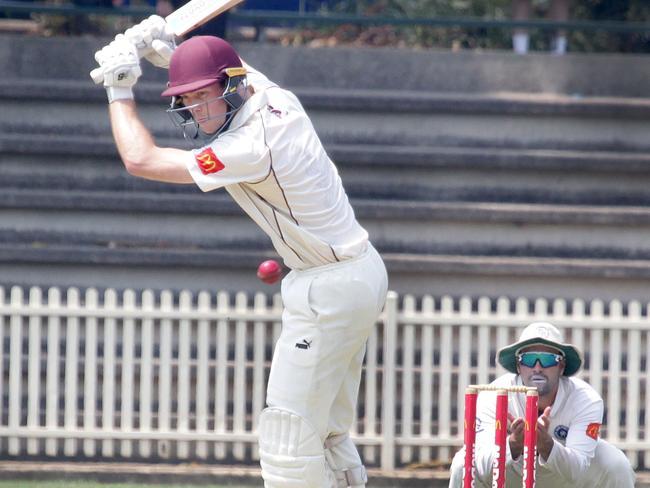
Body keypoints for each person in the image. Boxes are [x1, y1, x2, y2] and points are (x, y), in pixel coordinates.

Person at [90, 16, 388, 488]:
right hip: (353, 274)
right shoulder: (271, 95)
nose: (192, 109)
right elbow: (229, 68)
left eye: (199, 96)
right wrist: (165, 48)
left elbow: (140, 160)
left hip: (331, 287)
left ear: (230, 88)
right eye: (184, 99)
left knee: (288, 436)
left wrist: (118, 87)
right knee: (327, 432)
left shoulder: (249, 144)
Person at [448, 321, 635, 488]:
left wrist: (546, 443)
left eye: (547, 359)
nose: (537, 367)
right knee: (462, 464)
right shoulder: (494, 394)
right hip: (511, 471)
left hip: (564, 477)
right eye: (529, 359)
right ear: (518, 366)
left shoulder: (586, 399)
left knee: (617, 464)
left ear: (561, 366)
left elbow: (578, 470)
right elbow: (481, 464)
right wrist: (513, 444)